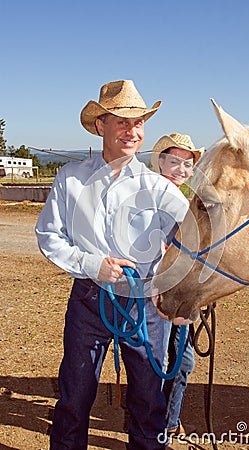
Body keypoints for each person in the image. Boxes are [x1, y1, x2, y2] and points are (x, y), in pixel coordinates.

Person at [35, 80, 189, 450]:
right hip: (89, 299)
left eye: (137, 123)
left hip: (145, 304)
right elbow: (48, 235)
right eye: (121, 121)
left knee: (149, 403)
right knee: (74, 399)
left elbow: (190, 248)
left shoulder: (162, 188)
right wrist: (91, 263)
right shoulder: (70, 179)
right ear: (100, 125)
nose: (131, 131)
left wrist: (183, 294)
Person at [151, 133, 204, 437]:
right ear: (161, 162)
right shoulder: (151, 198)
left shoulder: (185, 203)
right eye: (175, 161)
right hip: (155, 294)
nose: (181, 169)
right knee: (156, 362)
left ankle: (168, 422)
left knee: (182, 362)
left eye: (187, 164)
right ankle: (153, 425)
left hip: (181, 294)